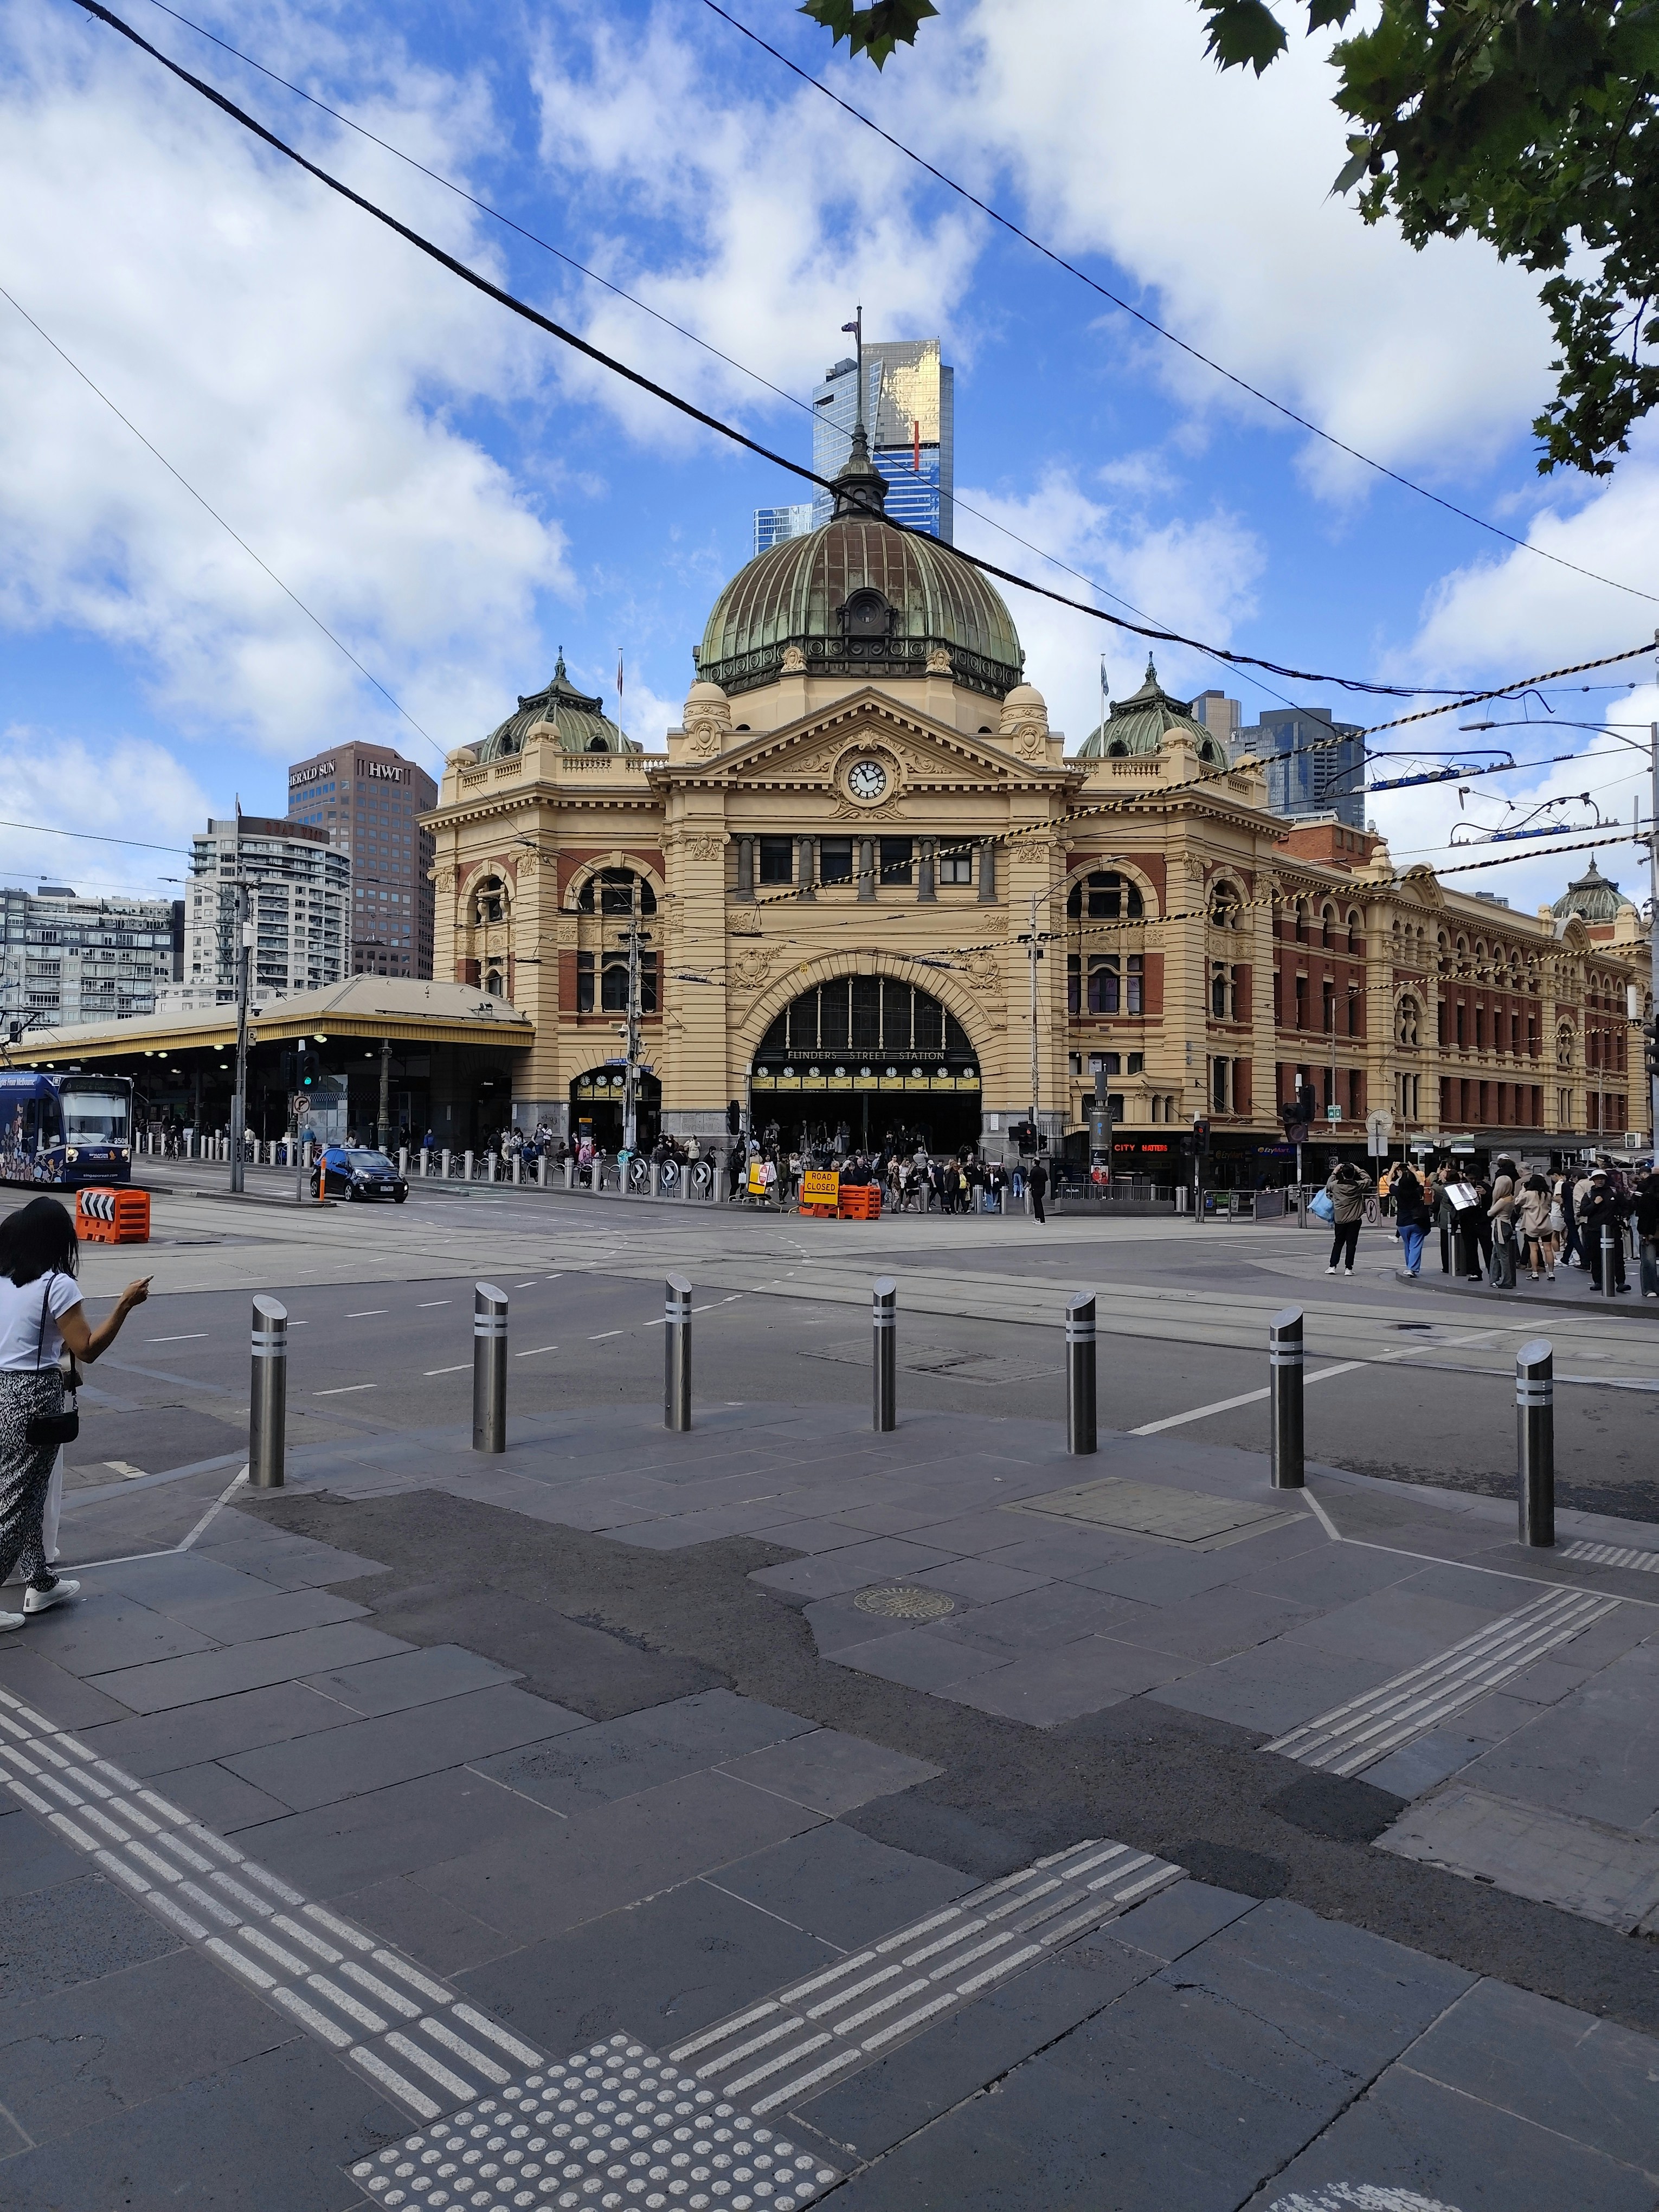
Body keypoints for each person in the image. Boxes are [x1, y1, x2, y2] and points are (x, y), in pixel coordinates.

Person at [0, 1198, 150, 1630]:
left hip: (2, 1389)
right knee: (15, 1503)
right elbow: (86, 1348)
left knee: (26, 1493)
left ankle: (41, 1582)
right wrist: (125, 1304)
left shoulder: (7, 1279)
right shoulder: (56, 1284)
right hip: (32, 1397)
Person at [1579, 1169, 1630, 1291]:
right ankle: (1598, 1282)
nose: (1600, 1181)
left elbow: (1625, 1207)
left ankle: (1621, 1282)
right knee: (1596, 1257)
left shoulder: (1614, 1192)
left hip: (1613, 1229)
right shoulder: (1589, 1194)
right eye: (1597, 1179)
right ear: (1593, 1180)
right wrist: (1595, 1204)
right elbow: (1584, 1212)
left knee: (1617, 1257)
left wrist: (1624, 1218)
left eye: (1602, 1178)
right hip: (1594, 1230)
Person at [1322, 1160, 1373, 1276]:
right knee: (1351, 1244)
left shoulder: (1335, 1185)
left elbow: (1328, 1185)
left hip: (1340, 1219)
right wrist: (1358, 1169)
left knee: (1338, 1243)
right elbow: (1368, 1180)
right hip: (1354, 1219)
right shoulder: (1358, 1186)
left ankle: (1332, 1266)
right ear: (1353, 1174)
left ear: (1343, 1174)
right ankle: (1348, 1268)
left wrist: (1334, 1172)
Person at [1392, 1162, 1431, 1276]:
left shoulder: (1398, 1191)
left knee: (1408, 1245)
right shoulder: (1417, 1191)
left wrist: (1393, 1169)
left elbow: (1389, 1182)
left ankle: (1410, 1266)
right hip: (1416, 1221)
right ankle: (1411, 1268)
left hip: (1402, 1223)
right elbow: (1422, 1182)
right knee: (1415, 1246)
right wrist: (1413, 1171)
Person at [1517, 1173, 1556, 1282]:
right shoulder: (1548, 1194)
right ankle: (1551, 1273)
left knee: (1533, 1249)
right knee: (1548, 1249)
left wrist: (1523, 1190)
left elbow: (1518, 1201)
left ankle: (1535, 1273)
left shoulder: (1528, 1194)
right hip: (1546, 1225)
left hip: (1532, 1226)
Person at [1487, 1172, 1519, 1288]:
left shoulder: (1502, 1201)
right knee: (1497, 1253)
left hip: (1499, 1226)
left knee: (1502, 1255)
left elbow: (1490, 1213)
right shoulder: (1511, 1198)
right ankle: (1494, 1278)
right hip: (1507, 1225)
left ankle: (1506, 1281)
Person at [1636, 1169, 1659, 1299]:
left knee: (1648, 1261)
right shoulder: (1649, 1192)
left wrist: (1645, 1232)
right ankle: (1651, 1288)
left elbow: (1642, 1213)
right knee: (1649, 1261)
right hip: (1651, 1230)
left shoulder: (1646, 1190)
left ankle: (1649, 1289)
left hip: (1649, 1231)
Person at [1028, 1155, 1049, 1225]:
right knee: (1037, 1204)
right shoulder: (1043, 1170)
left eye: (1032, 1161)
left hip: (1036, 1189)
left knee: (1038, 1205)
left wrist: (1025, 1187)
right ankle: (1037, 1218)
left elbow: (1030, 1180)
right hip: (1042, 1189)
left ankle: (1042, 1220)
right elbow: (1046, 1179)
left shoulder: (1034, 1170)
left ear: (1034, 1162)